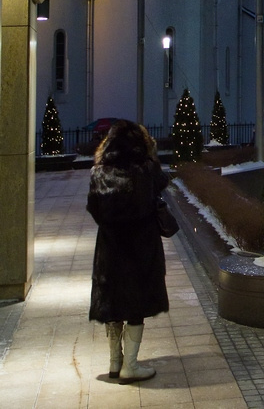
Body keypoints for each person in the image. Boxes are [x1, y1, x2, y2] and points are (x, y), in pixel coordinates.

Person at [87, 119, 170, 384]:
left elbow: (93, 208)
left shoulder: (99, 173)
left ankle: (115, 362)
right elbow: (162, 183)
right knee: (137, 302)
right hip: (141, 248)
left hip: (110, 248)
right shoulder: (146, 170)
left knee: (112, 301)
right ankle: (130, 366)